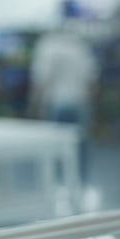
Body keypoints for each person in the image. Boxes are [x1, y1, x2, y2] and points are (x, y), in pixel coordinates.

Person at [30, 20, 98, 178]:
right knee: (80, 147)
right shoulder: (79, 46)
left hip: (57, 103)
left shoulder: (47, 46)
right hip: (80, 102)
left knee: (57, 147)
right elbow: (91, 79)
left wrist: (36, 104)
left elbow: (42, 79)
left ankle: (60, 182)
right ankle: (80, 184)